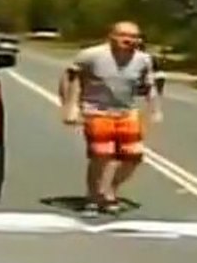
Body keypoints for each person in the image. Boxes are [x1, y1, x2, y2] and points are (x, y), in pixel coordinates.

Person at [59, 21, 162, 214]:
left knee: (133, 156)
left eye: (134, 37)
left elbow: (150, 86)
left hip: (126, 112)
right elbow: (71, 77)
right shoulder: (91, 55)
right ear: (111, 36)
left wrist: (155, 109)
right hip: (96, 111)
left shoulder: (143, 59)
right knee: (101, 156)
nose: (129, 40)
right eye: (124, 35)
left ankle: (110, 190)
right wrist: (70, 105)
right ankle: (93, 196)